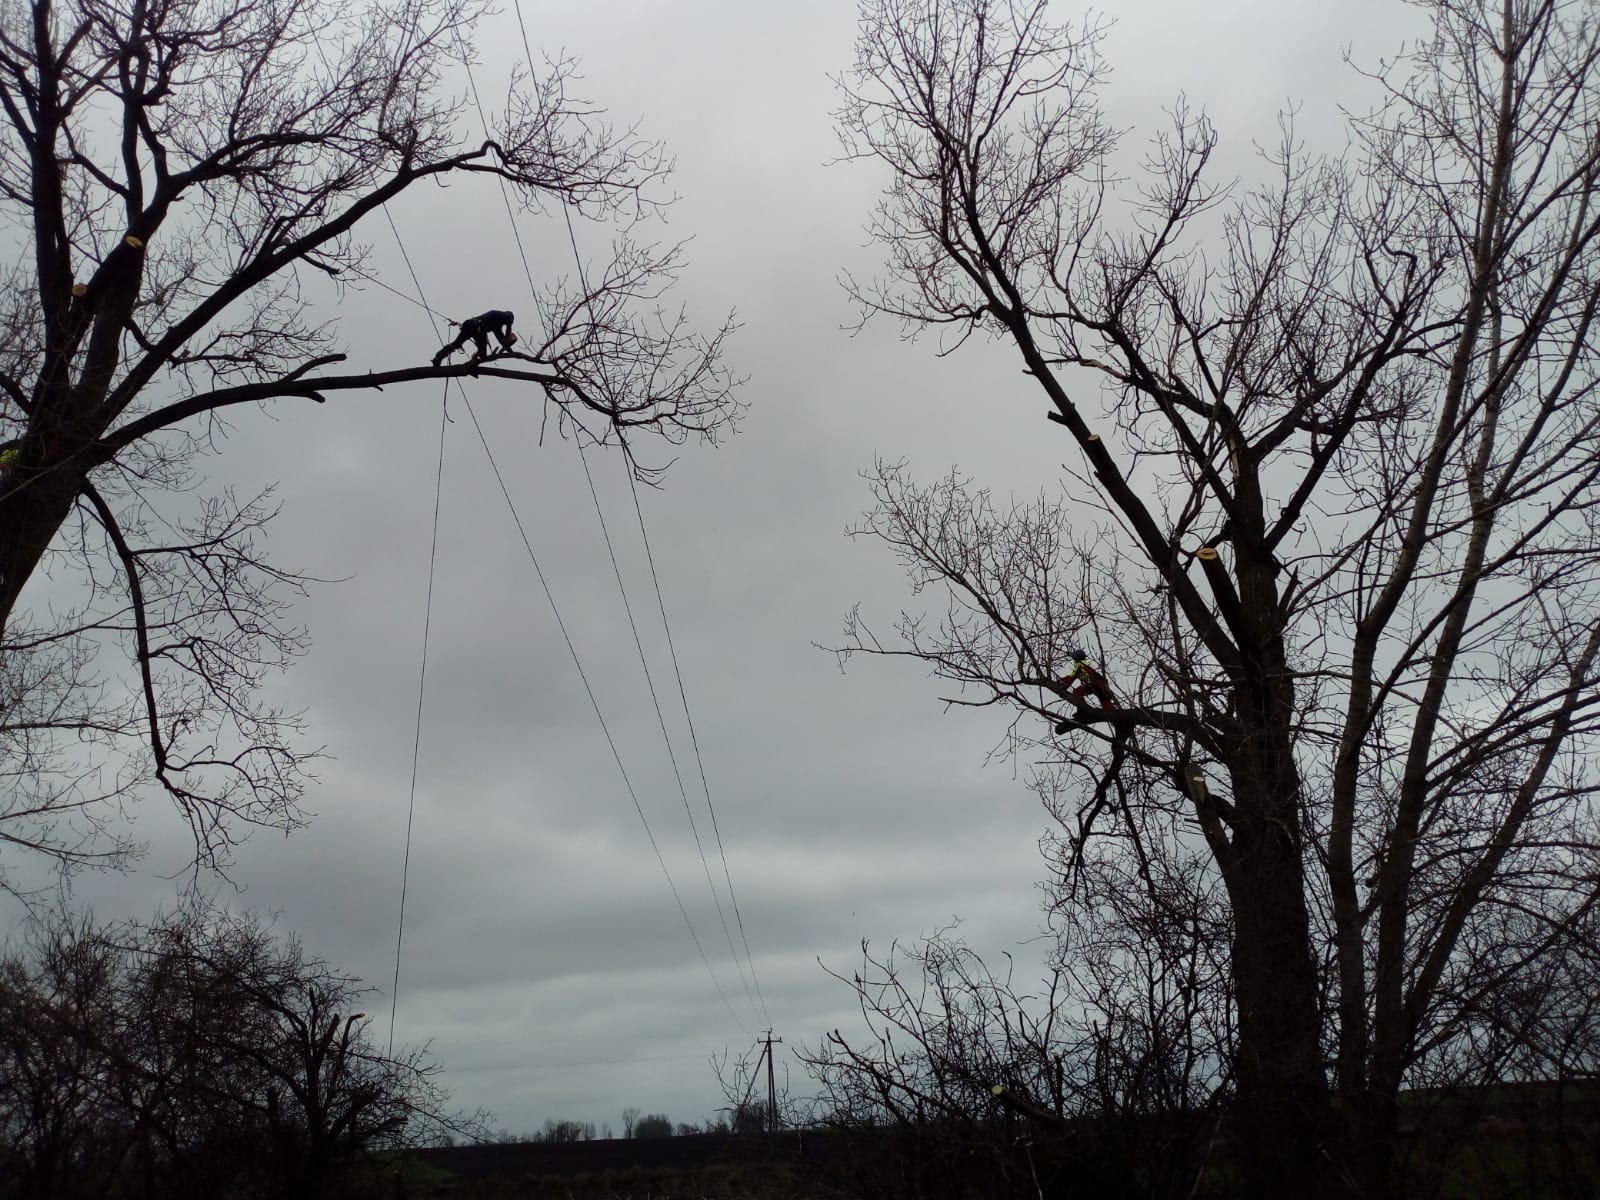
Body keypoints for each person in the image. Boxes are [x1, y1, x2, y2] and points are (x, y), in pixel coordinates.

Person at [1053, 647, 1118, 734]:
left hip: (1093, 683)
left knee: (1077, 691)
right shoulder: (1086, 663)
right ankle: (1114, 716)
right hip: (1100, 684)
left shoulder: (1080, 665)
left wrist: (1062, 685)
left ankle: (1082, 710)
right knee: (1105, 700)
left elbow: (1072, 677)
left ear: (1077, 659)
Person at [432, 310, 517, 366]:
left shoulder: (497, 327)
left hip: (470, 325)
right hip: (477, 326)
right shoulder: (503, 315)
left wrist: (511, 352)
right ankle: (472, 363)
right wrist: (508, 334)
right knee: (482, 352)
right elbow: (508, 320)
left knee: (457, 344)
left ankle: (438, 358)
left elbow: (502, 341)